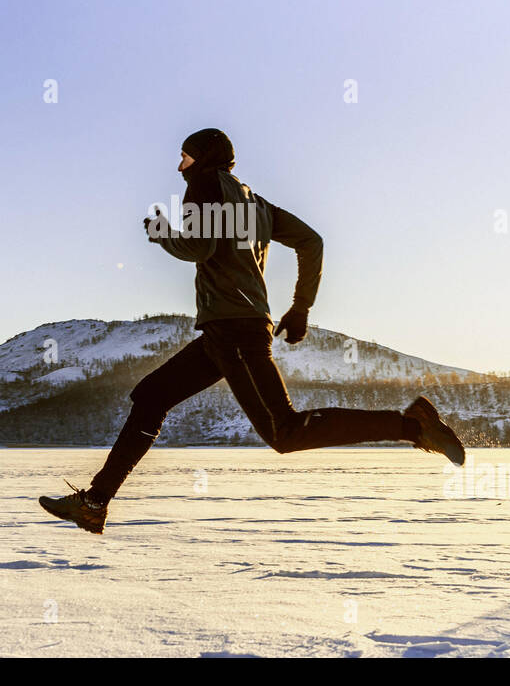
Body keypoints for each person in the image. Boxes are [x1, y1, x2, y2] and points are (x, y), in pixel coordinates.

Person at [40, 128, 465, 534]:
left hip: (233, 331)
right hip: (227, 331)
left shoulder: (203, 184)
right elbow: (311, 241)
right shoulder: (255, 204)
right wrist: (301, 307)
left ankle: (411, 425)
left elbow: (198, 246)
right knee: (151, 396)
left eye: (184, 156)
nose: (179, 166)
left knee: (284, 432)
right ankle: (95, 503)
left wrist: (161, 232)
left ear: (203, 158)